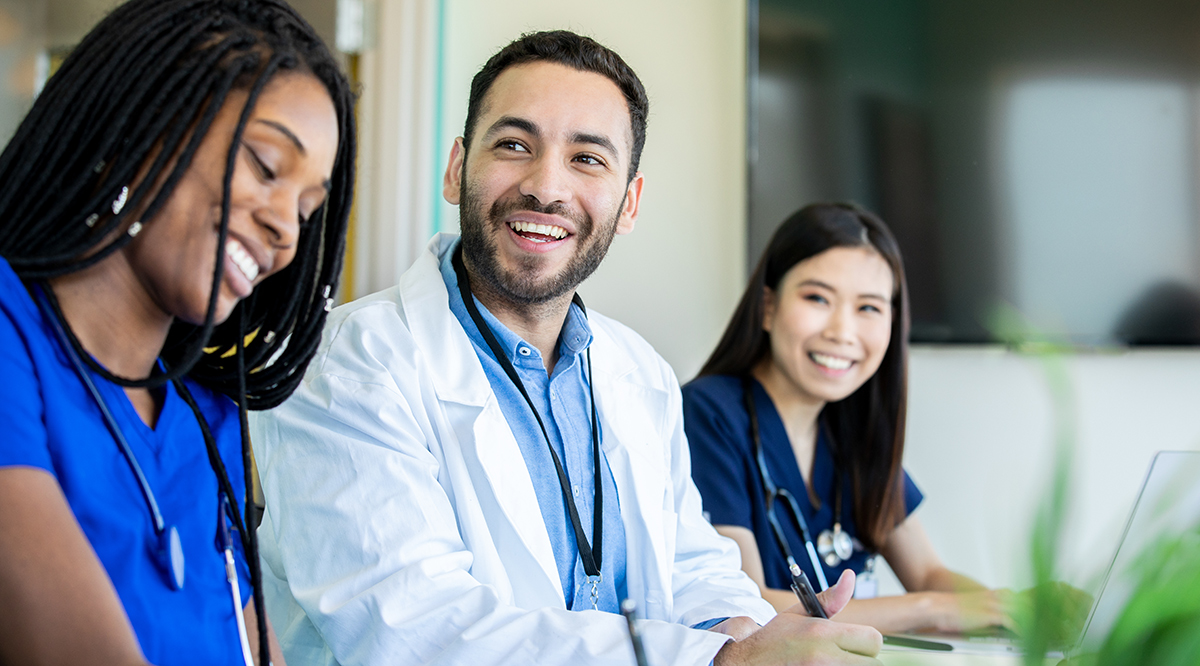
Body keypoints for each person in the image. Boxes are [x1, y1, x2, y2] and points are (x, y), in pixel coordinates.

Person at [250, 31, 882, 666]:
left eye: (587, 159)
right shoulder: (345, 364)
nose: (546, 187)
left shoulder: (640, 371)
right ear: (455, 170)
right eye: (514, 145)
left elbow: (689, 559)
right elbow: (416, 631)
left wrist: (740, 628)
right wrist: (720, 660)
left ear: (628, 202)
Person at [0, 1, 355, 663]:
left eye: (309, 209)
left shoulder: (203, 418)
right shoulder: (10, 338)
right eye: (266, 166)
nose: (286, 229)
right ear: (140, 124)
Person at [683, 203, 1010, 635]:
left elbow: (929, 576)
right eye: (817, 298)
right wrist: (932, 609)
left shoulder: (853, 431)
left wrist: (1013, 611)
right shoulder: (707, 413)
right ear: (767, 307)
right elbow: (748, 599)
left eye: (869, 308)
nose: (842, 331)